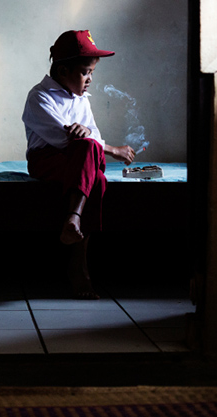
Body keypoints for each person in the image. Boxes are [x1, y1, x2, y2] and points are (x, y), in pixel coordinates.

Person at [22, 30, 135, 300]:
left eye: (92, 73)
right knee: (95, 172)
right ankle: (78, 261)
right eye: (85, 73)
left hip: (79, 160)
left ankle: (73, 226)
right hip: (46, 161)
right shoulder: (40, 97)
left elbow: (91, 135)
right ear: (63, 70)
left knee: (94, 167)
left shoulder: (82, 101)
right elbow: (64, 139)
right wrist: (113, 149)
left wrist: (90, 138)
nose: (90, 80)